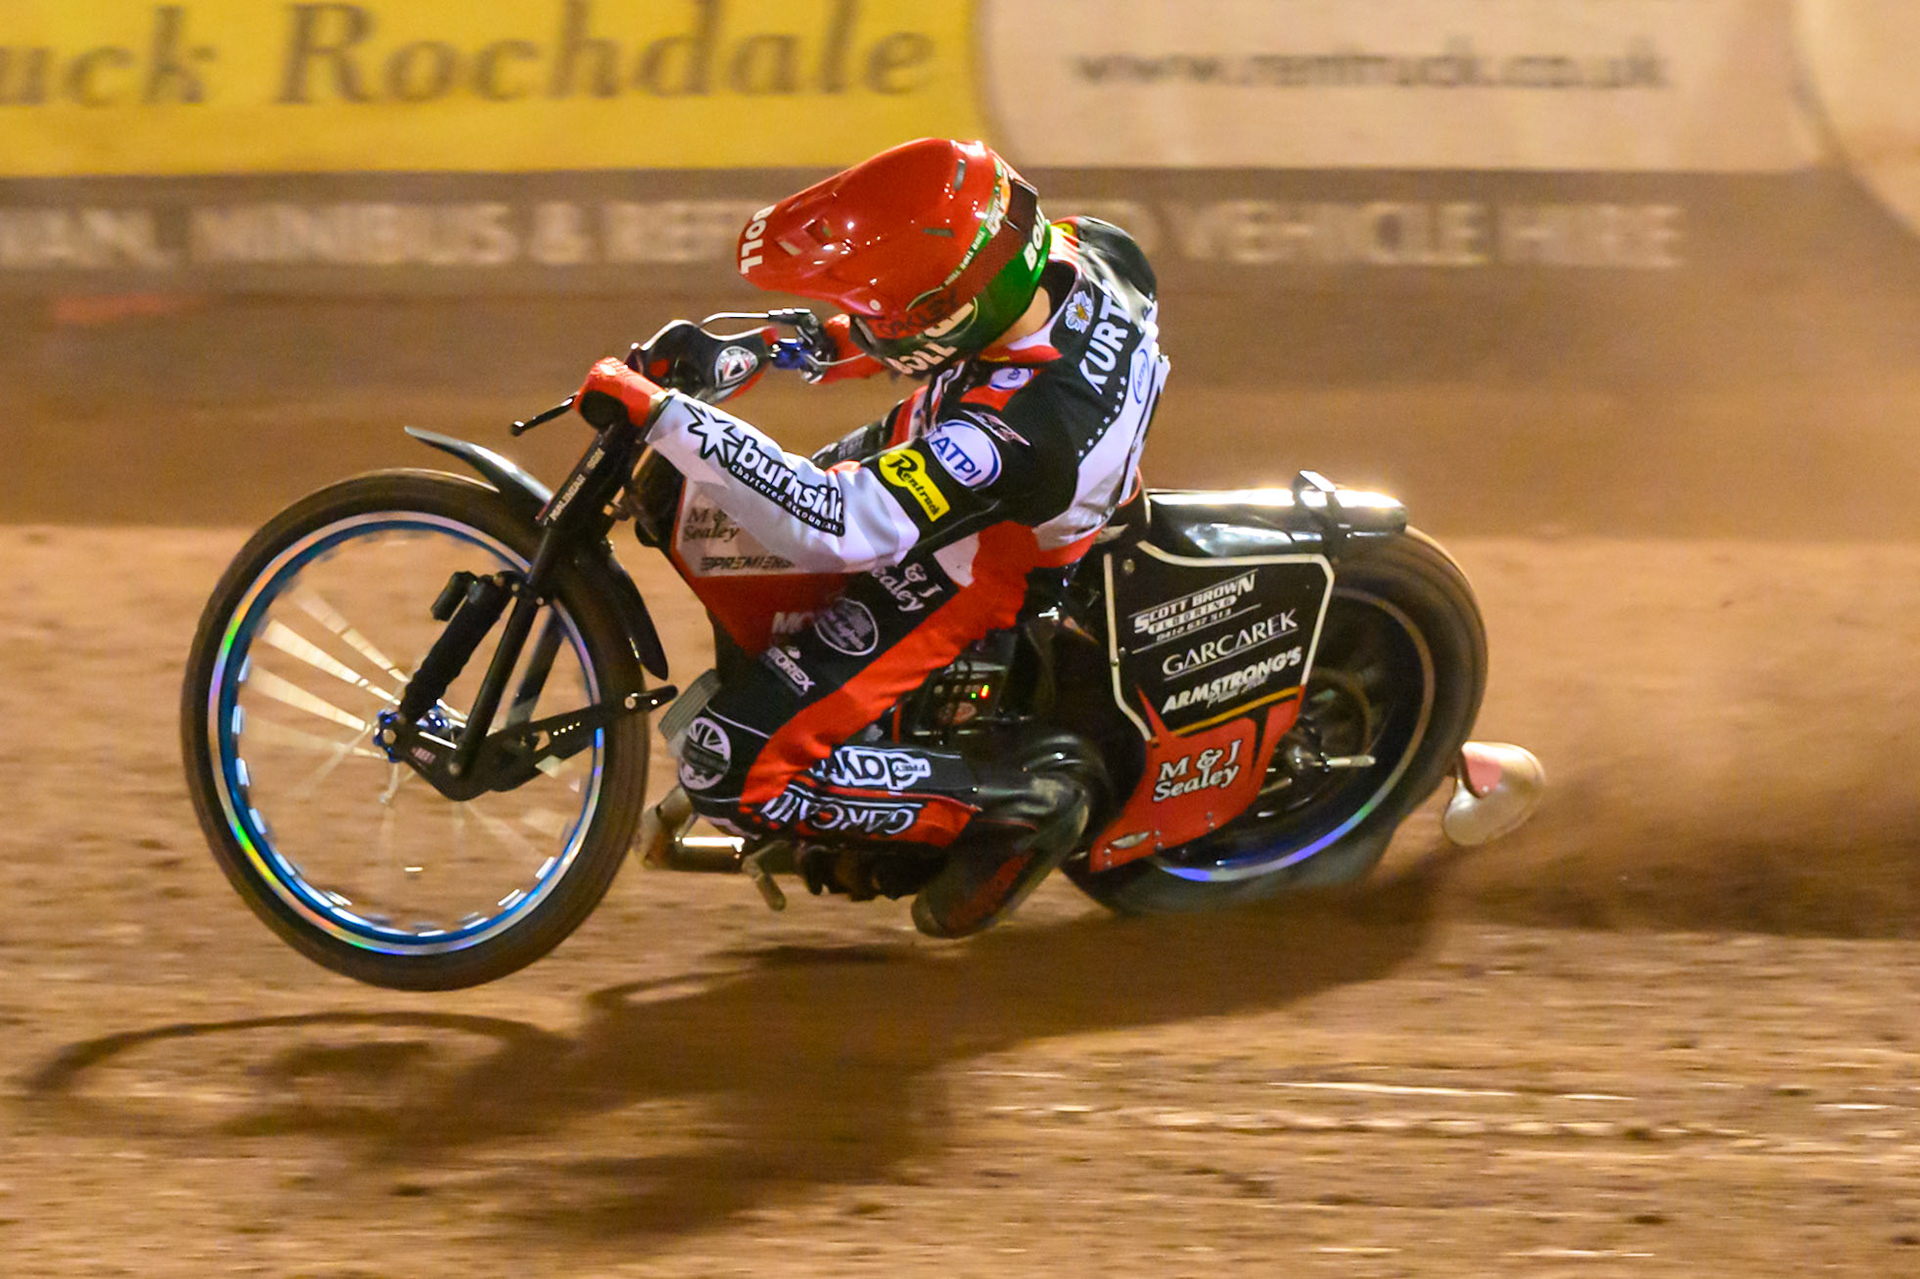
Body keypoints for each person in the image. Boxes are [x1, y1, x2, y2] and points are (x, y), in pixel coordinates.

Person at [576, 137, 1169, 937]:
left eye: (888, 315)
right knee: (700, 501)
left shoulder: (1025, 429)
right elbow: (925, 318)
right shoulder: (1085, 251)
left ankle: (1022, 806)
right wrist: (762, 349)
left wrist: (672, 417)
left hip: (976, 566)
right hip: (973, 460)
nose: (874, 325)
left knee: (725, 767)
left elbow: (841, 524)